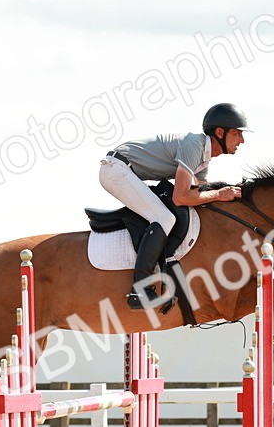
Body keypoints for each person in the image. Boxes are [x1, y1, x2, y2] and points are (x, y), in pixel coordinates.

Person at [100, 102, 249, 311]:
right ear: (220, 132)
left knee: (167, 215)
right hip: (116, 170)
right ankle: (140, 290)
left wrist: (229, 195)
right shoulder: (195, 145)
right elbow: (181, 198)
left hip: (124, 170)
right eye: (237, 134)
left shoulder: (203, 160)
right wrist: (219, 194)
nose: (242, 140)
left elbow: (200, 194)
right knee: (165, 218)